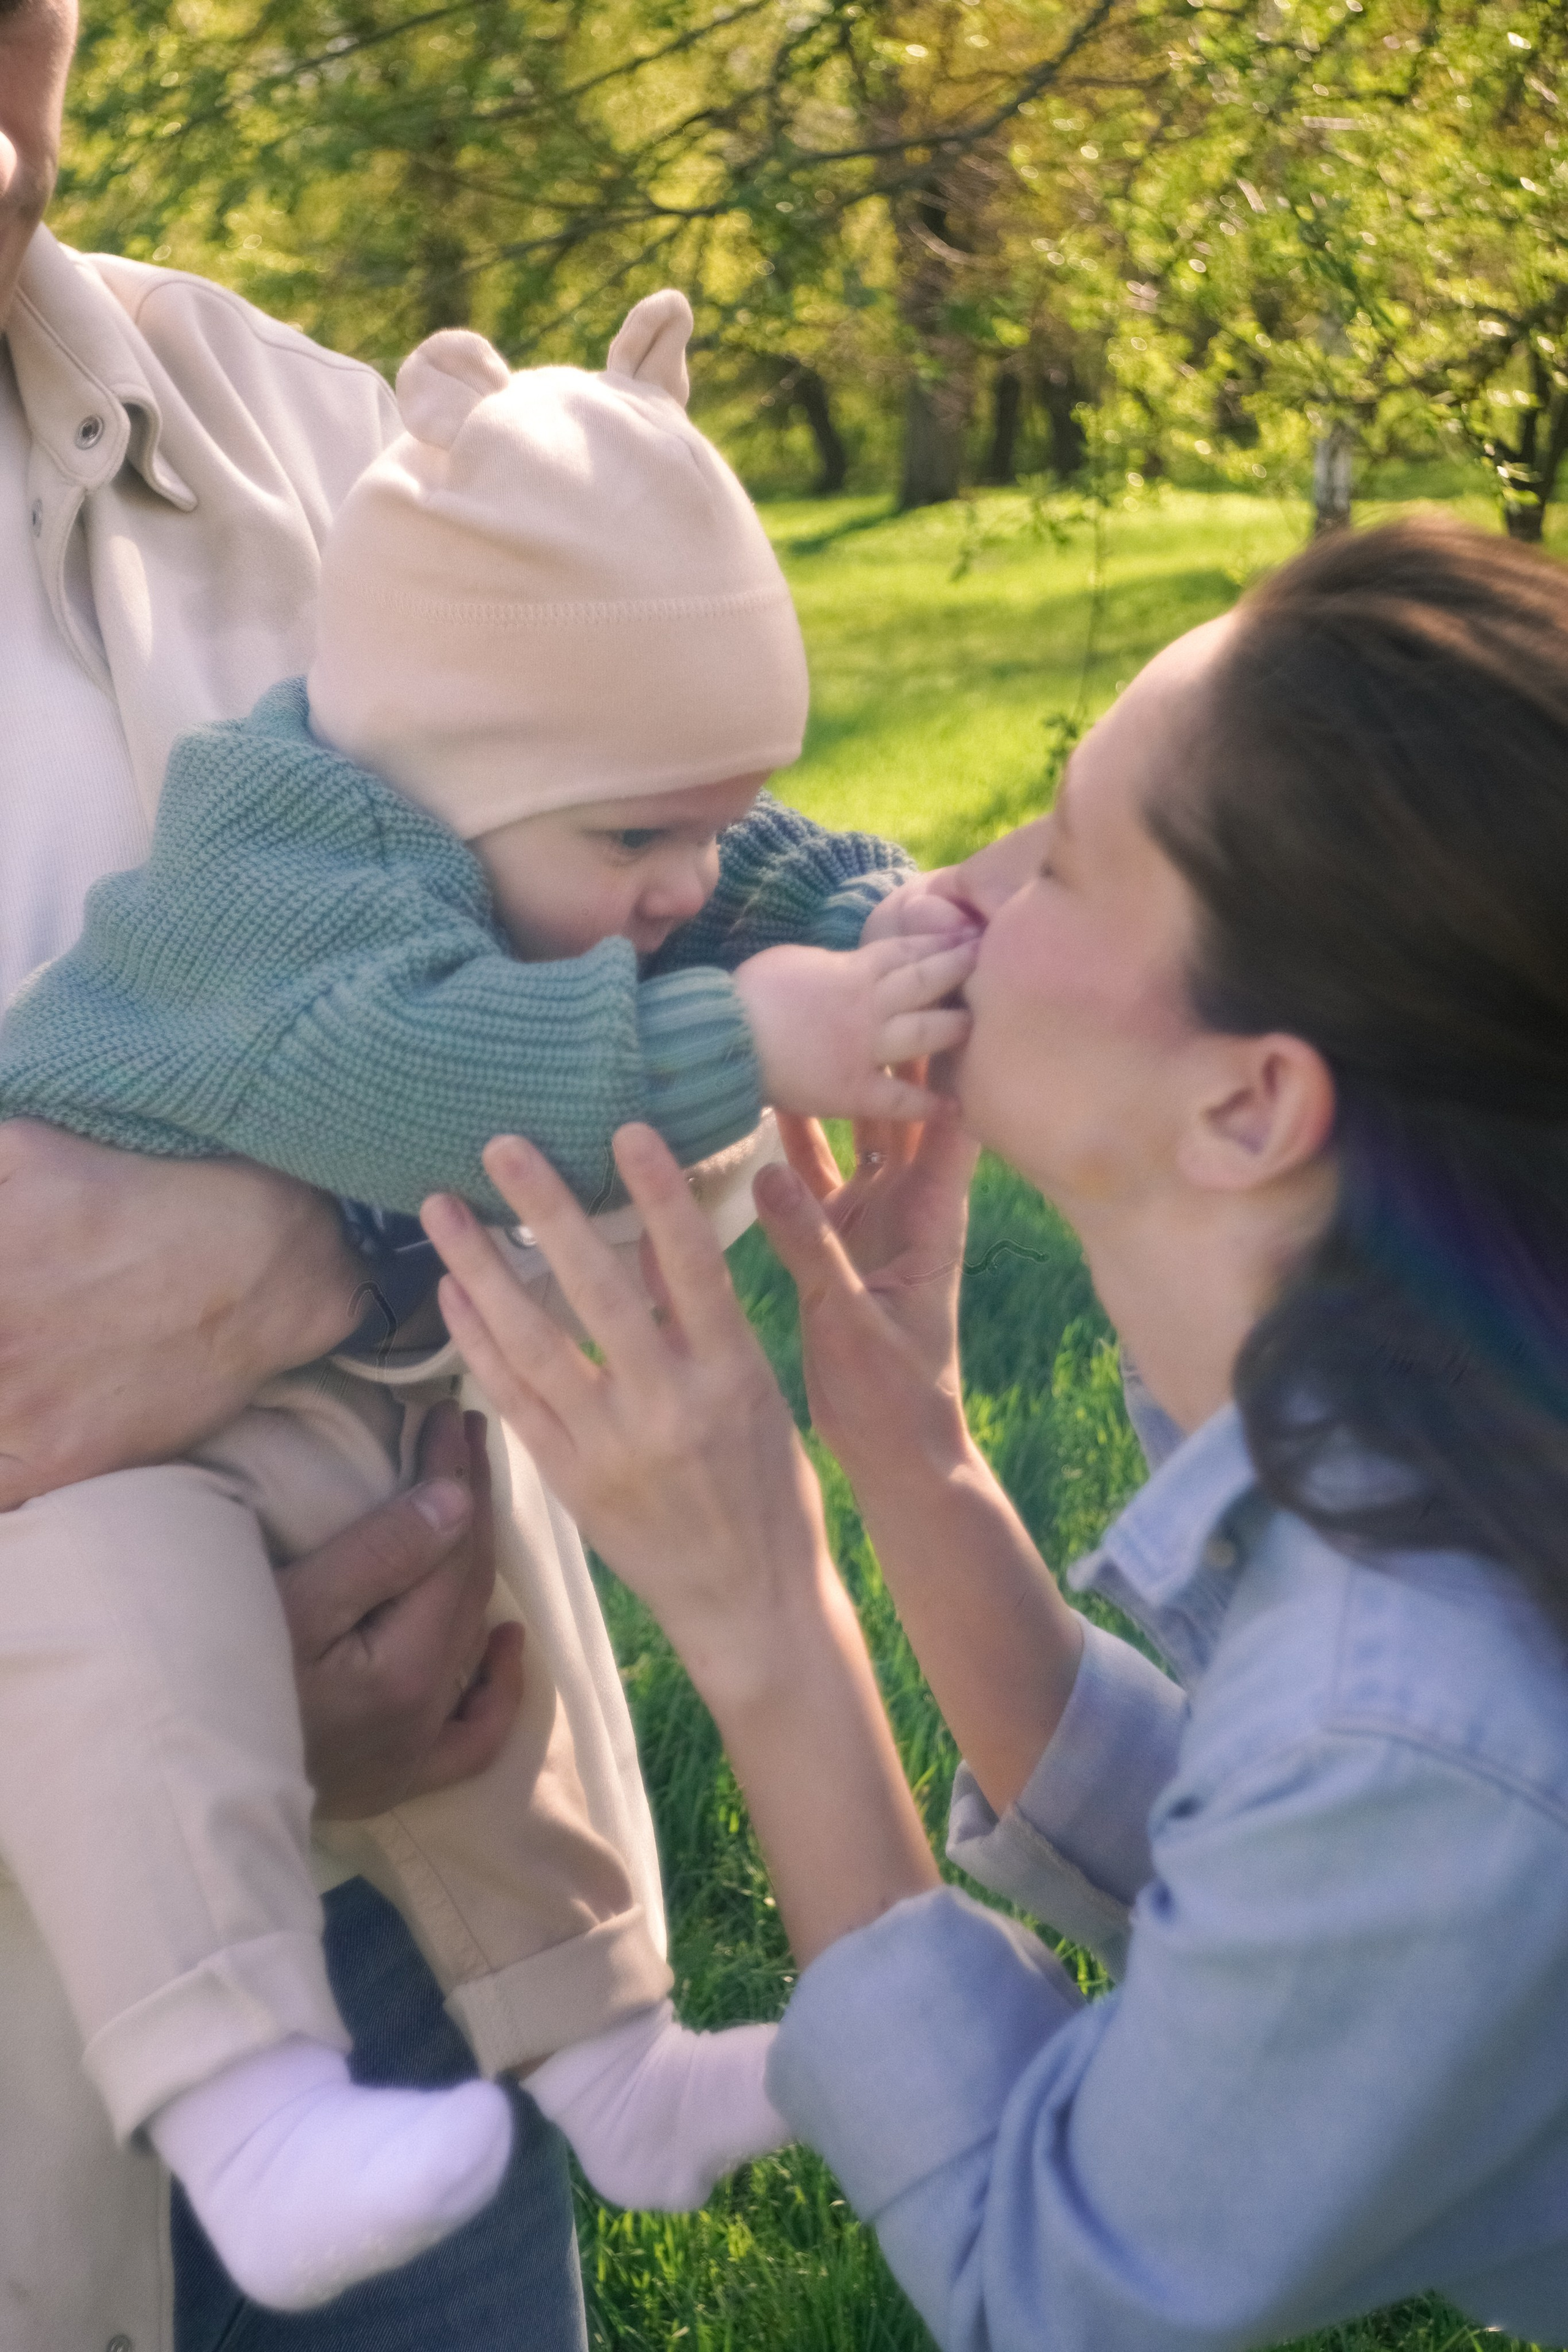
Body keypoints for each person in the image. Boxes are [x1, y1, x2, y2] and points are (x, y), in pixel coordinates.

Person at [423, 516, 1568, 2351]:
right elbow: (1256, 1843)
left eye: (1070, 863)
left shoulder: (1415, 1692)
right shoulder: (1448, 1486)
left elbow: (1056, 2285)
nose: (952, 890)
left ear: (1250, 1103)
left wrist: (768, 1617)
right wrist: (920, 1460)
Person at [0, 290, 972, 2309]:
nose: (688, 885)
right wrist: (755, 1033)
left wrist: (876, 912)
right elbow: (433, 1072)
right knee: (122, 1615)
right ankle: (242, 2105)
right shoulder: (296, 850)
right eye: (645, 842)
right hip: (91, 1492)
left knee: (459, 1597)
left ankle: (603, 2052)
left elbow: (699, 832)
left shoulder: (361, 500)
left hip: (345, 1466)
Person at [4, 3, 597, 2343]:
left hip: (417, 1951)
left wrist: (311, 1236)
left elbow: (702, 1015)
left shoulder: (328, 444)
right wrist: (157, 1734)